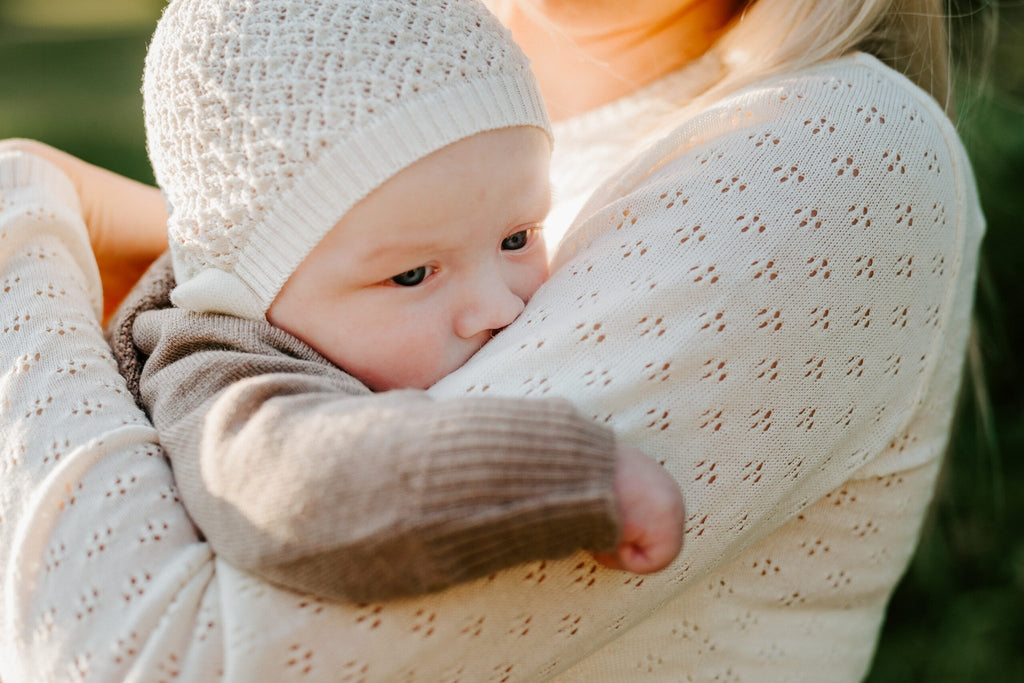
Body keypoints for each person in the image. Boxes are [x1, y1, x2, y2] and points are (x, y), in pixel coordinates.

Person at [0, 0, 985, 680]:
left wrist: (21, 218)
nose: (500, 302)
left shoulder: (822, 150)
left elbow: (153, 656)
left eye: (520, 238)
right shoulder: (416, 81)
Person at [101, 0, 684, 603]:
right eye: (411, 276)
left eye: (516, 238)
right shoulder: (214, 367)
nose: (499, 309)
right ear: (244, 288)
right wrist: (568, 476)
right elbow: (298, 488)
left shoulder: (323, 299)